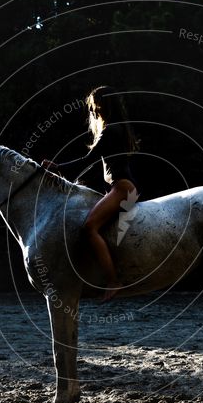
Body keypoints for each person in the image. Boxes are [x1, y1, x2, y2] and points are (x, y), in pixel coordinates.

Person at [80, 86, 140, 301]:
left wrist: (55, 166)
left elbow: (86, 161)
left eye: (96, 106)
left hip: (122, 188)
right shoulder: (118, 129)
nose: (94, 111)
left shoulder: (110, 130)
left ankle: (113, 280)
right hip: (121, 187)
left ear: (105, 105)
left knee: (89, 228)